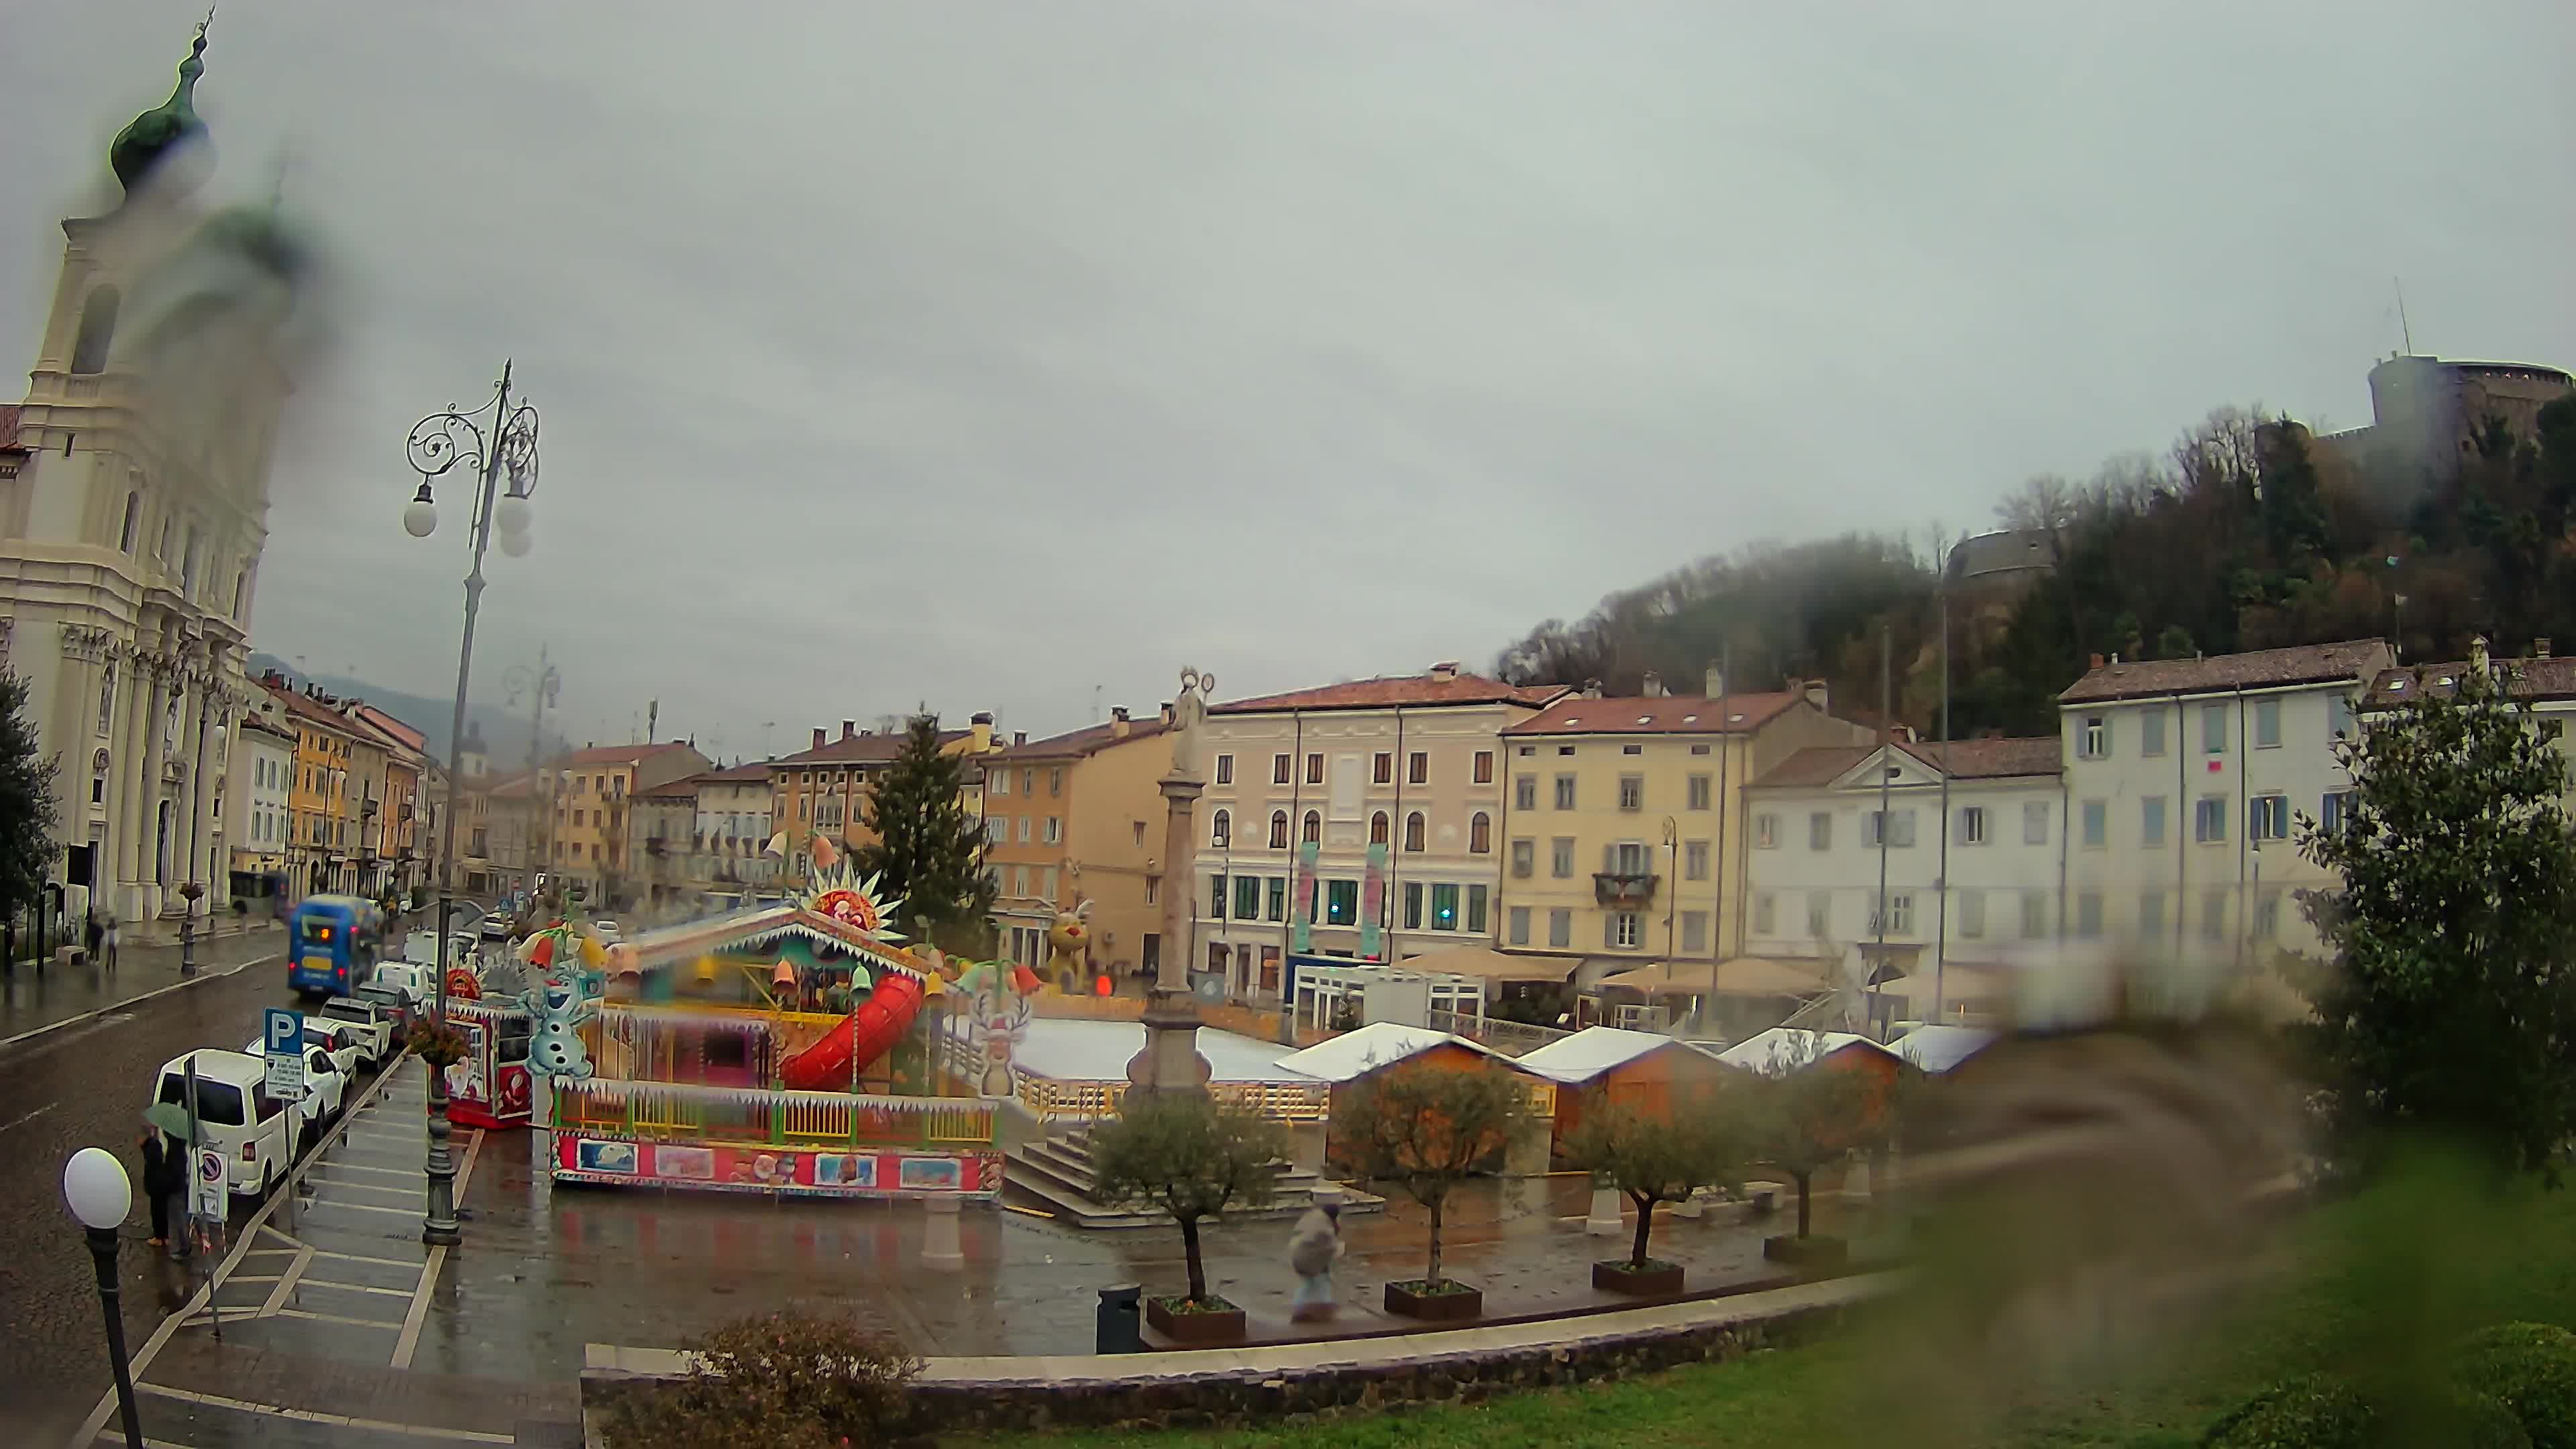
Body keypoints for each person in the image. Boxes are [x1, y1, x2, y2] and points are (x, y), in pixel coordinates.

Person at [1288, 1189, 1346, 1322]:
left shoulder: (1314, 1217)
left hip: (1298, 1256)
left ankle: (1299, 1307)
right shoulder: (1325, 1230)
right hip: (1309, 1261)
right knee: (1323, 1283)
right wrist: (1340, 1247)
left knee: (1309, 1284)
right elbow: (1332, 1250)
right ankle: (1325, 1310)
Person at [138, 1127, 182, 1249]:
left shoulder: (153, 1146)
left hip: (158, 1184)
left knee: (158, 1211)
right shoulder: (164, 1144)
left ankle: (159, 1237)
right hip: (165, 1181)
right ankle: (165, 1237)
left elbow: (153, 1163)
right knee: (163, 1210)